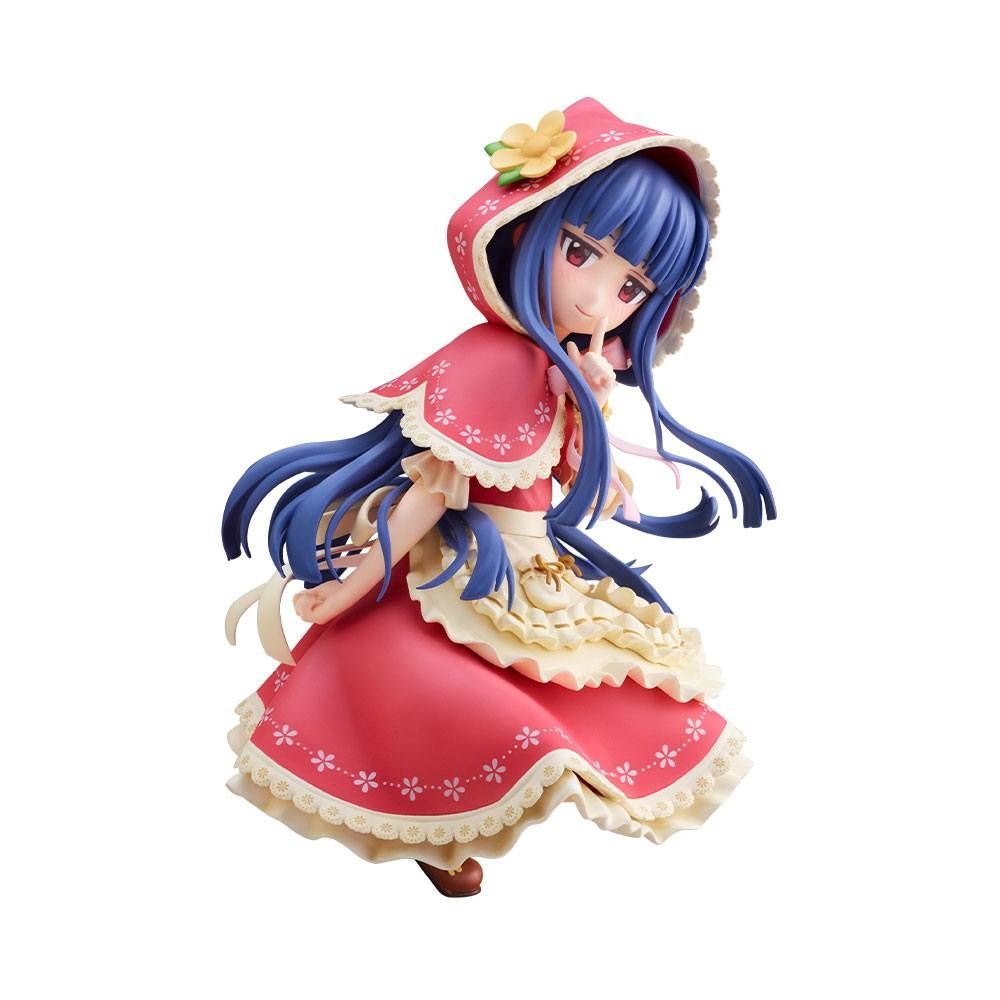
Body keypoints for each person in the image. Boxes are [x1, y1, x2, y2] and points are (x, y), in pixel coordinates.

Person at [222, 97, 775, 897]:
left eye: (631, 286)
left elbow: (583, 490)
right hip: (458, 570)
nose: (599, 299)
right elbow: (429, 492)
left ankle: (464, 822)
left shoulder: (563, 369)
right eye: (582, 253)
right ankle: (440, 833)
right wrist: (353, 583)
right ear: (526, 231)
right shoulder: (492, 361)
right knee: (451, 699)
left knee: (600, 691)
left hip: (533, 575)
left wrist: (594, 413)